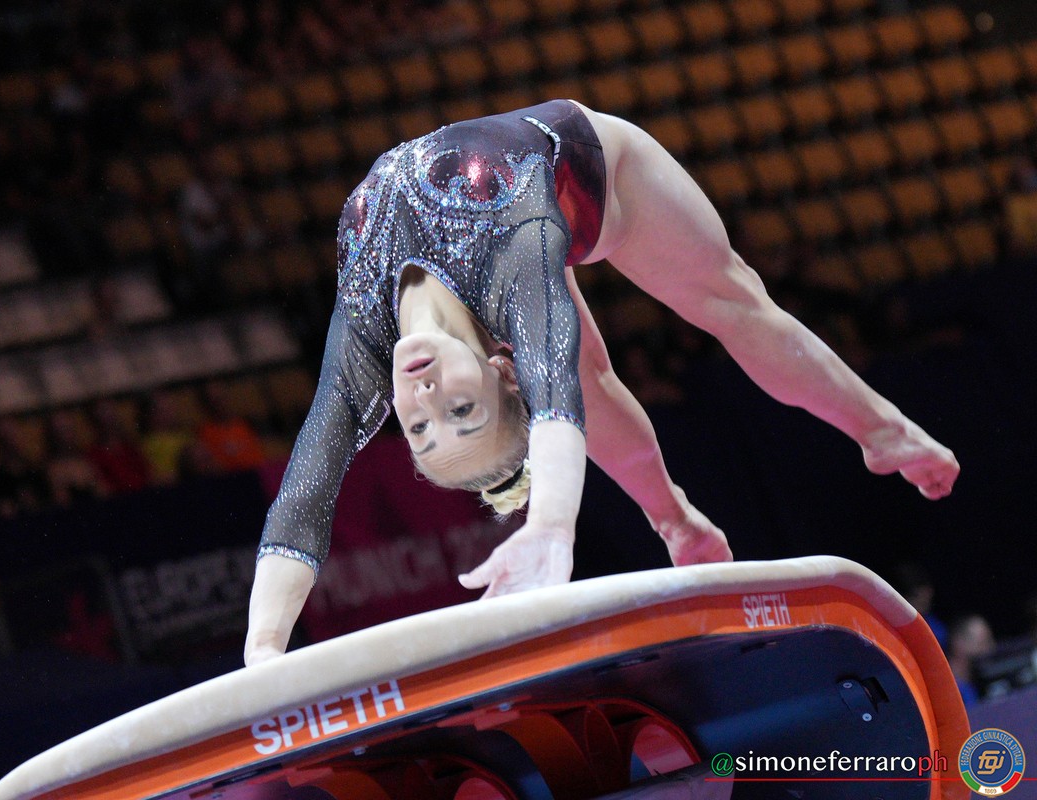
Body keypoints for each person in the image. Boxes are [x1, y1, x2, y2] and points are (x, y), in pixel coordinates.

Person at [244, 100, 960, 665]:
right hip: (596, 191)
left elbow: (303, 496)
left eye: (422, 427)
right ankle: (687, 513)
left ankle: (875, 434)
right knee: (649, 341)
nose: (426, 400)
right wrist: (550, 527)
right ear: (502, 371)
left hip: (570, 173)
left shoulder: (365, 340)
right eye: (463, 411)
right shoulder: (513, 269)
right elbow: (557, 396)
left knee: (716, 312)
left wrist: (263, 646)